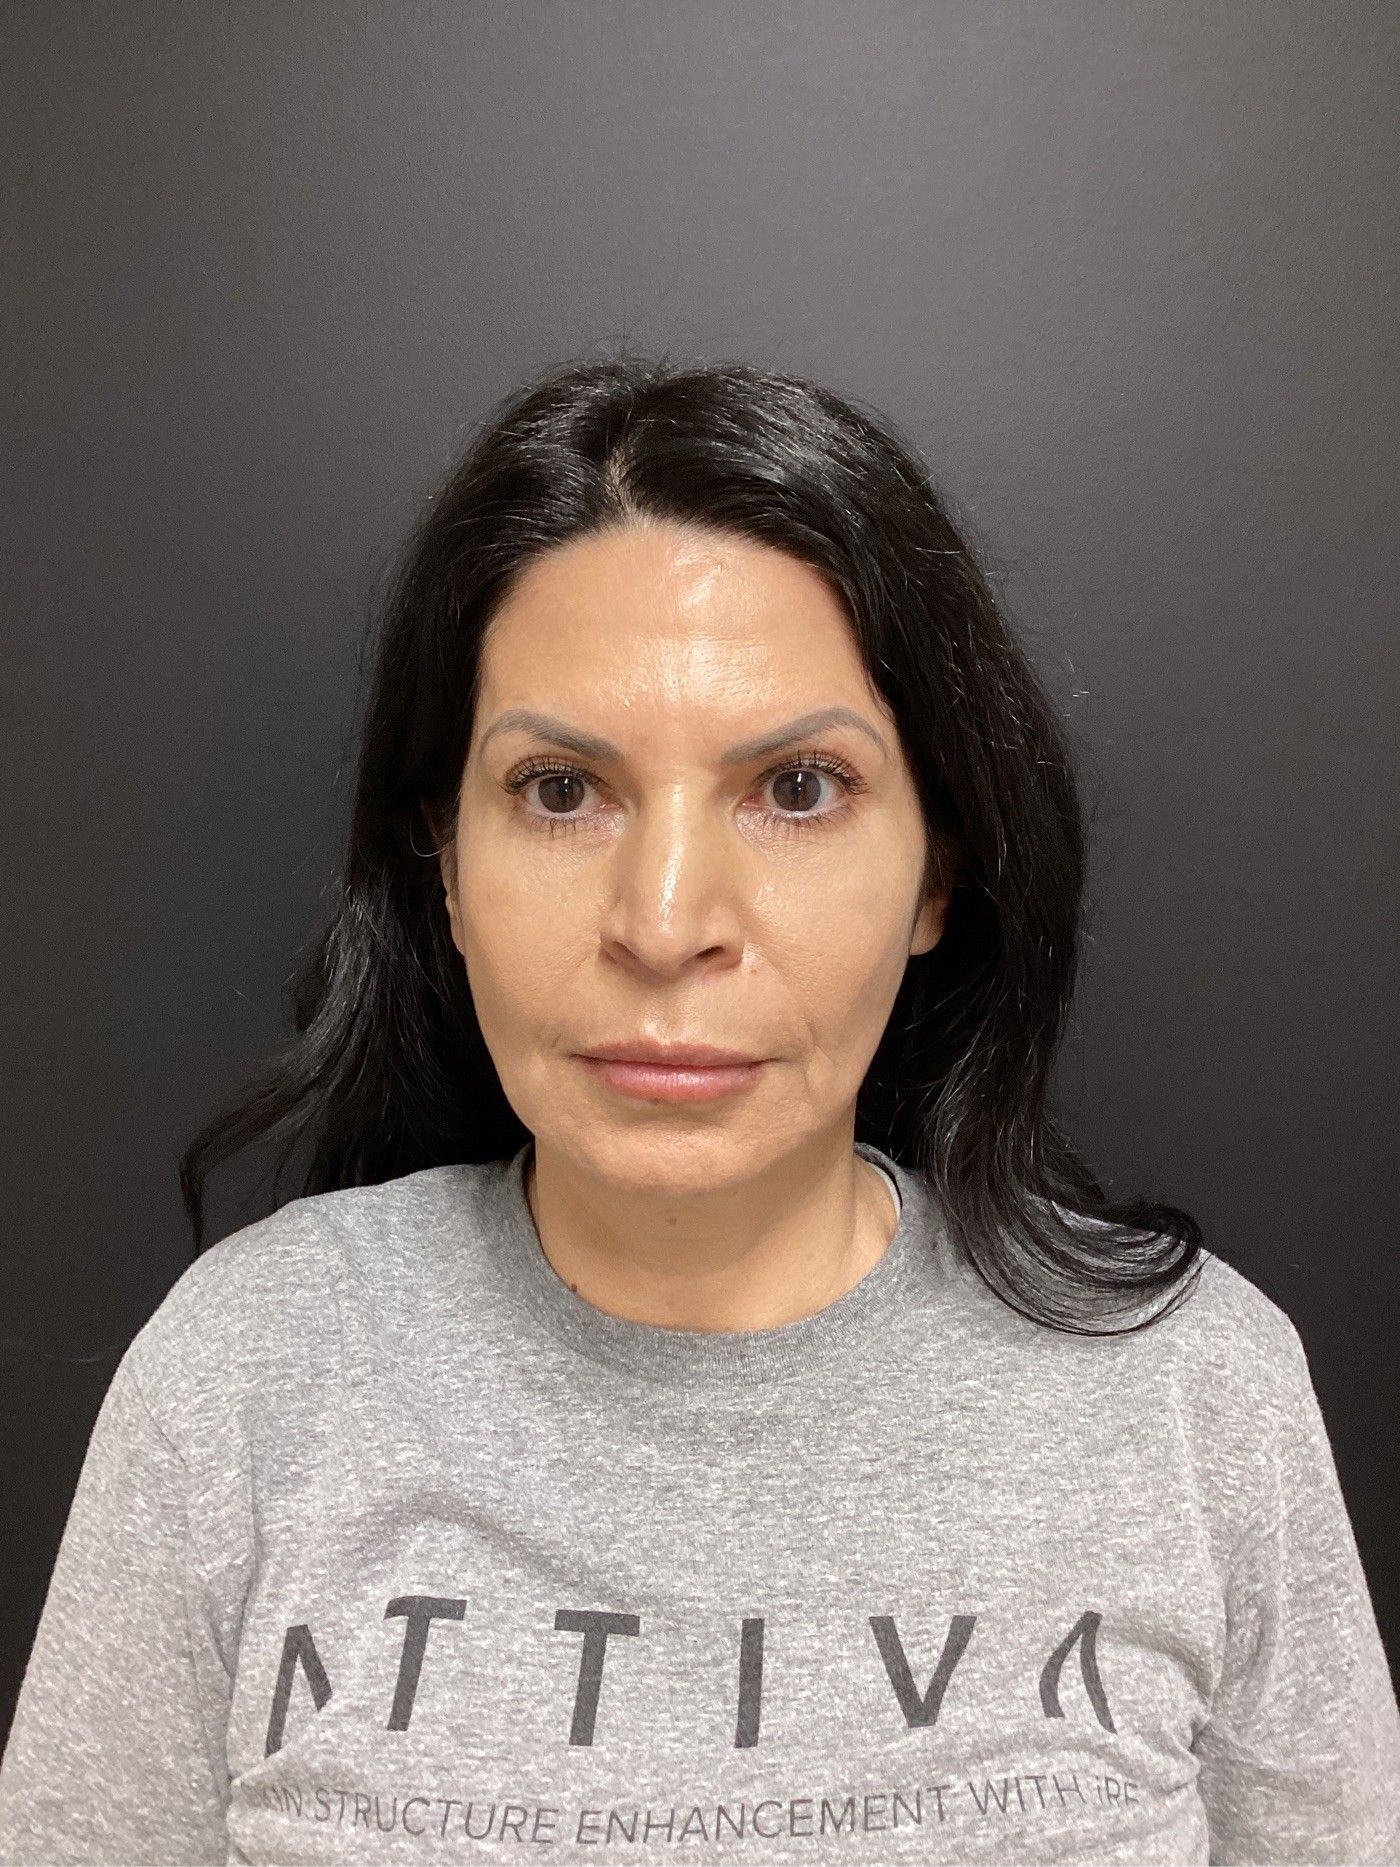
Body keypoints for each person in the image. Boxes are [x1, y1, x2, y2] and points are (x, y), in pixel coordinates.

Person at [1, 353, 1396, 1866]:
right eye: (557, 791)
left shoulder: (1199, 1398)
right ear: (444, 866)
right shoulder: (245, 1384)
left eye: (797, 788)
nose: (665, 923)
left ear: (940, 871)